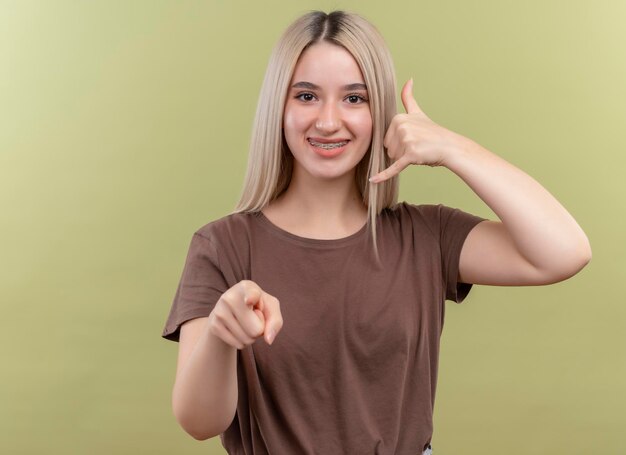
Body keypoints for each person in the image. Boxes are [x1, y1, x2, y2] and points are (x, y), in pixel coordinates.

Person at [161, 10, 591, 455]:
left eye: (354, 99)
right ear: (279, 107)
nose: (328, 122)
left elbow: (565, 251)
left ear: (380, 112)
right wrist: (220, 334)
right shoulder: (221, 247)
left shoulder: (426, 236)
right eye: (306, 96)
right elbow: (199, 422)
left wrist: (452, 148)